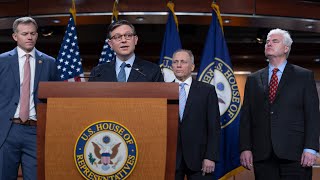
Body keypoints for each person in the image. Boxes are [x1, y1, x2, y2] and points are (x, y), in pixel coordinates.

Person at [240, 28, 320, 180]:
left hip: (296, 155)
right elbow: (246, 118)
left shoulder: (304, 76)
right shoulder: (253, 79)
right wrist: (245, 148)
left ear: (286, 48)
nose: (269, 43)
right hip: (263, 155)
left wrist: (311, 148)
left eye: (274, 41)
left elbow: (312, 115)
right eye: (267, 41)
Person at [0, 17, 58, 180]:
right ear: (15, 36)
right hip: (7, 130)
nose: (29, 37)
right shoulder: (2, 61)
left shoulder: (49, 63)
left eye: (33, 33)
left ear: (37, 35)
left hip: (36, 131)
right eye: (24, 33)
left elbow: (55, 100)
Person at [172, 49, 221, 180]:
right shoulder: (164, 90)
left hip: (200, 159)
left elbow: (214, 127)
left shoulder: (207, 91)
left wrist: (210, 156)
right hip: (171, 159)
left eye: (183, 62)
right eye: (175, 62)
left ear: (192, 66)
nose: (178, 65)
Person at [89, 20, 163, 82]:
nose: (123, 40)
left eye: (128, 35)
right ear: (110, 44)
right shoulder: (98, 72)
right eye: (117, 37)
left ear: (135, 40)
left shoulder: (152, 70)